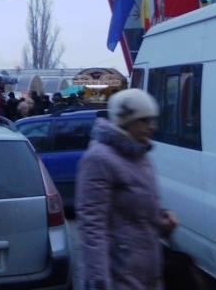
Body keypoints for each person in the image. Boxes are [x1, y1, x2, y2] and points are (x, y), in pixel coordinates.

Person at [75, 89, 177, 290]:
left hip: (147, 273)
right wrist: (99, 282)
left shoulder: (140, 155)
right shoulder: (99, 159)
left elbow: (137, 210)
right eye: (145, 121)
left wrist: (161, 220)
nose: (152, 127)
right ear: (125, 121)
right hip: (119, 275)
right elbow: (92, 226)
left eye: (153, 120)